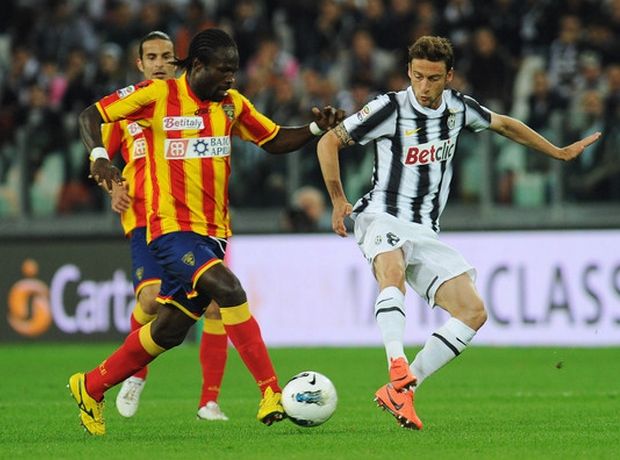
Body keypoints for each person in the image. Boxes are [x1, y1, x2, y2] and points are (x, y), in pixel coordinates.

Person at [316, 35, 601, 430]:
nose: (424, 87)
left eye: (433, 78)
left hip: (425, 230)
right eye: (417, 76)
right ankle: (396, 361)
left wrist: (558, 152)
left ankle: (401, 391)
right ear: (408, 72)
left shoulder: (458, 109)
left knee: (473, 312)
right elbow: (329, 142)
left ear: (449, 76)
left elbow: (505, 125)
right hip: (382, 215)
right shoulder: (389, 108)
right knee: (391, 272)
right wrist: (337, 199)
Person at [69, 28, 344, 436]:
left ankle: (90, 386)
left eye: (234, 70)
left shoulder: (232, 104)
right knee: (229, 290)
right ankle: (270, 391)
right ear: (198, 66)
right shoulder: (157, 95)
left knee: (168, 331)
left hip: (213, 233)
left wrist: (315, 129)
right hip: (170, 230)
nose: (230, 78)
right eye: (223, 70)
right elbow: (90, 116)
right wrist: (98, 157)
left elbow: (273, 139)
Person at [102, 31, 229, 421]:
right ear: (140, 64)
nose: (160, 63)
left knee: (216, 304)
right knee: (150, 301)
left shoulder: (194, 102)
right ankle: (135, 372)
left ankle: (209, 402)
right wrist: (113, 187)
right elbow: (102, 157)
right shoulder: (126, 107)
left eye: (167, 56)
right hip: (145, 216)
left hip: (194, 219)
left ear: (179, 61)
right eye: (152, 57)